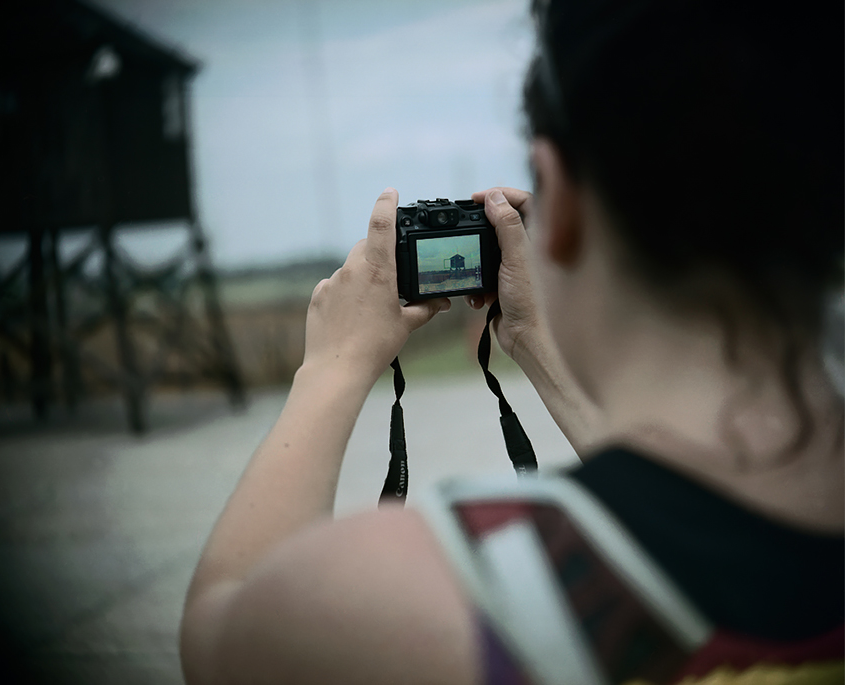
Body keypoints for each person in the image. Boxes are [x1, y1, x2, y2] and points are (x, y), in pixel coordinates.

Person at [179, 0, 844, 682]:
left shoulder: (408, 601)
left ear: (560, 199)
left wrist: (332, 366)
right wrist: (533, 341)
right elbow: (697, 521)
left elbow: (217, 636)